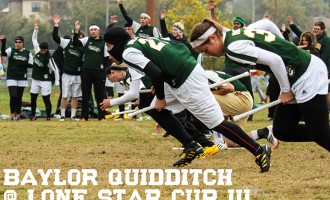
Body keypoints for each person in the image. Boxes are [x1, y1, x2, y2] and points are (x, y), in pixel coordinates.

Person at [103, 27, 272, 172]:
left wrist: (161, 96)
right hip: (180, 74)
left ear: (117, 43)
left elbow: (155, 72)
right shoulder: (138, 41)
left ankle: (259, 150)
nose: (109, 53)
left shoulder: (128, 52)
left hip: (186, 78)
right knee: (152, 106)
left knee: (217, 123)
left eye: (109, 46)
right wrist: (161, 86)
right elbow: (171, 51)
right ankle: (191, 145)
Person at [190, 17, 330, 152]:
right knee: (283, 130)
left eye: (205, 50)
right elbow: (266, 23)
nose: (208, 55)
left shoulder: (233, 48)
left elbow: (275, 60)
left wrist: (285, 90)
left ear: (213, 38)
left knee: (320, 134)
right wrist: (283, 43)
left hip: (306, 74)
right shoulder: (239, 33)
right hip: (296, 76)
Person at [73, 21, 110, 121]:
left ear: (99, 31)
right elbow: (76, 42)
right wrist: (76, 31)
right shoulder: (86, 40)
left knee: (100, 95)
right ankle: (84, 116)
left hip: (99, 72)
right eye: (91, 30)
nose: (93, 32)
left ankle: (101, 116)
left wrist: (105, 72)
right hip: (86, 71)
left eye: (95, 30)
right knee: (86, 94)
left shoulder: (104, 43)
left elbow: (107, 59)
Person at [52, 15, 84, 121]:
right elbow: (55, 37)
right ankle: (62, 115)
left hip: (77, 75)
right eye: (74, 34)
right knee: (64, 96)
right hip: (66, 74)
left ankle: (73, 116)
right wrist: (56, 25)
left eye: (77, 34)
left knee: (75, 96)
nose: (75, 36)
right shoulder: (66, 43)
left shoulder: (82, 47)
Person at [30, 21, 59, 121]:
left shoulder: (49, 59)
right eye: (41, 49)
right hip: (35, 79)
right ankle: (33, 115)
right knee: (33, 98)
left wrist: (57, 81)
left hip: (45, 81)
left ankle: (48, 116)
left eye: (44, 50)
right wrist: (36, 29)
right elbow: (34, 39)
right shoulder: (37, 50)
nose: (42, 51)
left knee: (46, 99)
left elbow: (56, 70)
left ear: (47, 49)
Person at [0, 34, 33, 121]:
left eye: (20, 42)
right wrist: (3, 42)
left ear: (23, 43)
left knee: (19, 97)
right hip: (12, 76)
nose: (17, 44)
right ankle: (12, 115)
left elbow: (32, 65)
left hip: (22, 77)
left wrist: (24, 64)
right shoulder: (11, 50)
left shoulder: (27, 53)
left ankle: (17, 116)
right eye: (16, 42)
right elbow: (3, 53)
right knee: (13, 96)